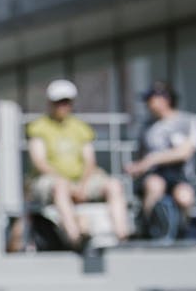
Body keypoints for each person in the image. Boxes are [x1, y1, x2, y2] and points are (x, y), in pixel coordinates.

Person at [26, 80, 129, 248]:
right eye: (58, 102)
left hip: (81, 181)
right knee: (60, 187)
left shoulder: (80, 127)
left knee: (114, 185)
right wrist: (68, 185)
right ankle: (75, 237)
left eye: (66, 102)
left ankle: (122, 236)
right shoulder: (38, 127)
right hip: (52, 182)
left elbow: (90, 161)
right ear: (50, 103)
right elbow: (39, 162)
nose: (63, 106)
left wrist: (82, 185)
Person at [126, 81, 196, 240]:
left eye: (151, 99)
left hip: (180, 175)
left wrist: (153, 159)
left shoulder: (188, 121)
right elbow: (141, 158)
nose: (148, 104)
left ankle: (184, 233)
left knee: (185, 197)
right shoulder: (146, 127)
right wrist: (137, 167)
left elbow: (184, 153)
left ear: (164, 99)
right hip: (154, 175)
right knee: (154, 187)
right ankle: (147, 231)